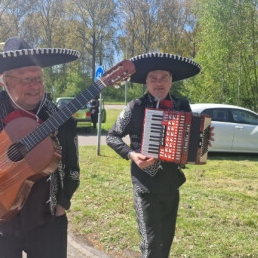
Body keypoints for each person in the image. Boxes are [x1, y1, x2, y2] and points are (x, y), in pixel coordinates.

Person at [106, 52, 214, 258]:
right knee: (150, 244)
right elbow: (112, 137)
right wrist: (132, 155)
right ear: (145, 82)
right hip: (144, 186)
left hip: (171, 185)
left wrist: (202, 140)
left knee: (166, 242)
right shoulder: (135, 107)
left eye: (164, 77)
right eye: (153, 77)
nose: (159, 83)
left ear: (171, 81)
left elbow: (192, 141)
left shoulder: (182, 105)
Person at [0, 37, 80, 258]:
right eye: (27, 79)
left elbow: (73, 168)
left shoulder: (60, 118)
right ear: (6, 81)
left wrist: (63, 203)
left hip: (46, 219)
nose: (35, 86)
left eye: (38, 78)